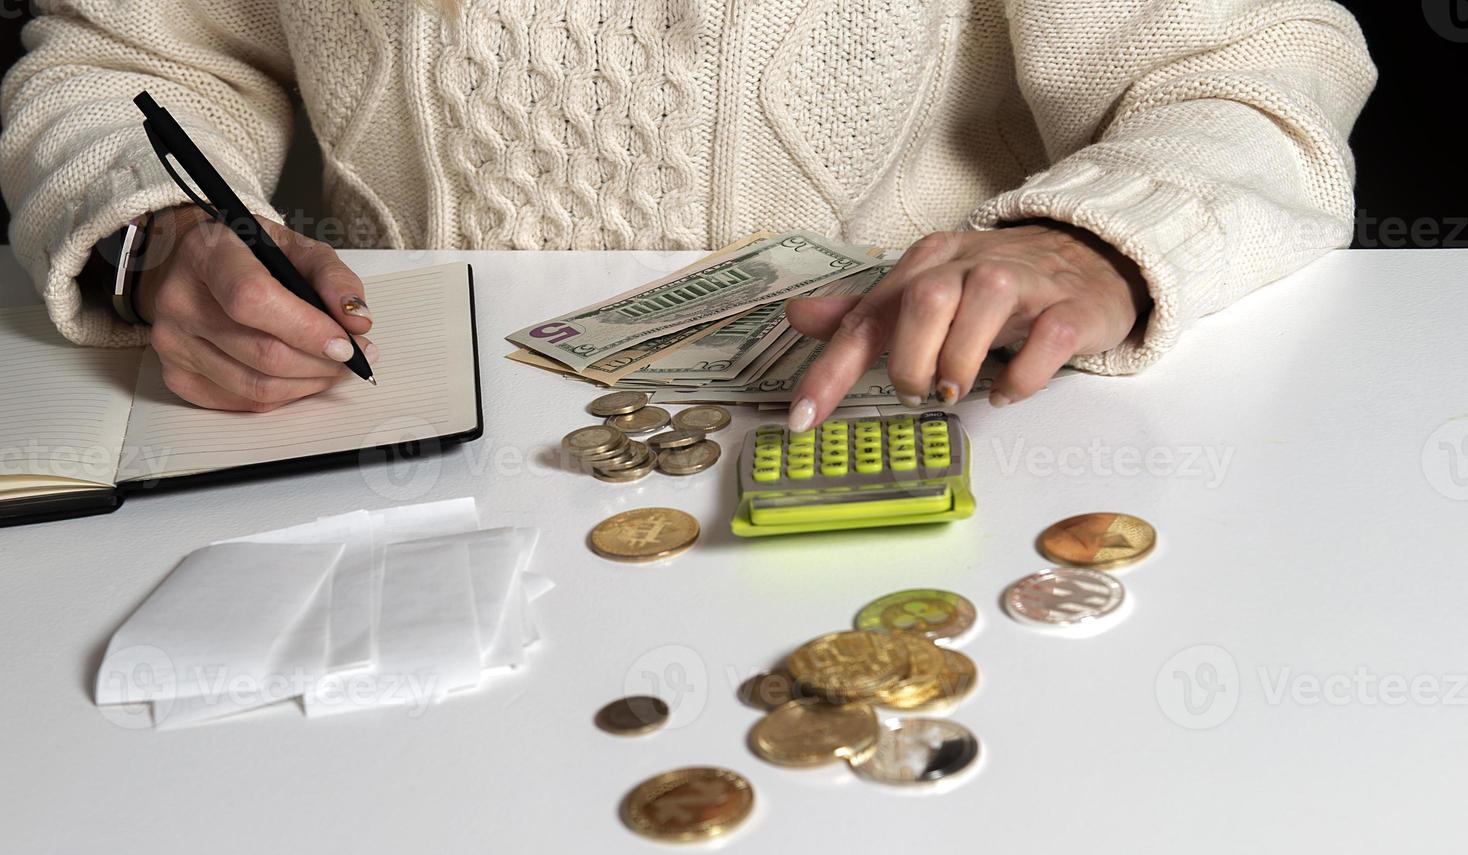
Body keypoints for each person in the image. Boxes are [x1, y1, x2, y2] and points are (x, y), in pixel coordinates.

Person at [0, 1, 1375, 430]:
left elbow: (1246, 68)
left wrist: (1084, 241)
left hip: (910, 421)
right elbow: (126, 58)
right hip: (389, 439)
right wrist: (152, 236)